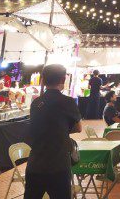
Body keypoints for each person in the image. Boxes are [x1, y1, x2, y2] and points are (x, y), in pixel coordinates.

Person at [25, 64, 82, 199]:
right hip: (59, 164)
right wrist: (63, 128)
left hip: (35, 163)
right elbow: (79, 128)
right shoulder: (68, 102)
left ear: (42, 80)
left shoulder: (36, 103)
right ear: (63, 79)